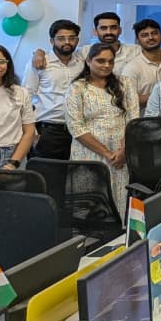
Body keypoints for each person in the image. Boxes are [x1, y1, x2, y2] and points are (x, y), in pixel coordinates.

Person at [65, 43, 139, 213]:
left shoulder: (125, 83)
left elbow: (133, 120)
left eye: (110, 61)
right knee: (89, 203)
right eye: (100, 61)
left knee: (118, 201)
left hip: (121, 156)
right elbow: (76, 127)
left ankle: (119, 230)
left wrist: (123, 151)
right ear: (88, 61)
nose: (106, 65)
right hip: (88, 153)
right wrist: (107, 154)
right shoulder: (77, 88)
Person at [25, 19, 84, 160]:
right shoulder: (40, 62)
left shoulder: (82, 62)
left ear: (77, 40)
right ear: (52, 41)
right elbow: (26, 96)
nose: (67, 42)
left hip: (77, 131)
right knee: (44, 172)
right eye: (61, 38)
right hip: (47, 131)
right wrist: (32, 132)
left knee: (74, 172)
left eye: (72, 38)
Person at [120, 18, 161, 107]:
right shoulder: (131, 68)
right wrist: (158, 95)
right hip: (146, 115)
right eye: (144, 35)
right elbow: (127, 101)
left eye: (154, 33)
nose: (151, 37)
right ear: (137, 40)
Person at [77, 12, 141, 72]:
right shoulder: (84, 52)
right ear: (95, 32)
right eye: (103, 28)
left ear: (120, 30)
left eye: (113, 28)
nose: (109, 32)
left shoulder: (135, 51)